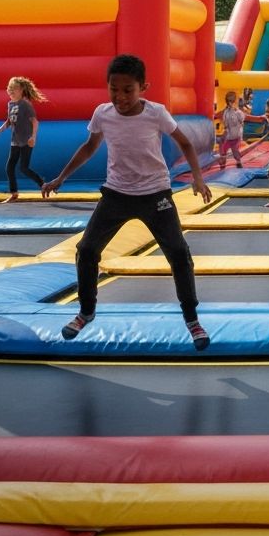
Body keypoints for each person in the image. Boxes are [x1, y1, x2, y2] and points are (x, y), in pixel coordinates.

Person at [41, 54, 213, 350]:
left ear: (143, 87)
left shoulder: (156, 113)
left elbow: (185, 142)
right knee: (87, 250)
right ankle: (86, 312)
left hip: (155, 194)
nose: (120, 97)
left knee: (178, 253)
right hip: (117, 194)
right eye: (114, 89)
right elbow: (89, 147)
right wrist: (61, 177)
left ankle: (192, 319)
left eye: (128, 90)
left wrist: (197, 178)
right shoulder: (103, 113)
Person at [0, 76, 47, 202]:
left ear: (21, 90)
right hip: (15, 141)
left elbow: (35, 122)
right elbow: (9, 122)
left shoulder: (25, 104)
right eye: (9, 88)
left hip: (26, 141)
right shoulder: (10, 104)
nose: (11, 91)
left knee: (24, 168)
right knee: (9, 167)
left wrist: (33, 137)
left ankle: (42, 184)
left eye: (14, 88)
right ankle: (14, 193)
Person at [216, 89, 246, 169]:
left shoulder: (237, 112)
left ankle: (238, 162)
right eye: (230, 101)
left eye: (232, 101)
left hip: (236, 135)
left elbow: (241, 119)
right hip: (230, 135)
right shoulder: (226, 112)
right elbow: (226, 123)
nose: (231, 103)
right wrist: (225, 131)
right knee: (224, 150)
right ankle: (223, 164)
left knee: (234, 150)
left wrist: (236, 112)